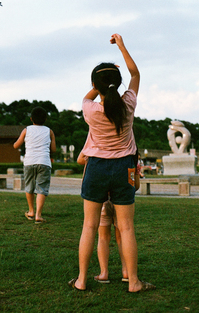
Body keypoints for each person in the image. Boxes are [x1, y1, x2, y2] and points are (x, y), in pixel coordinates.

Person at [69, 33, 155, 293]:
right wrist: (121, 46)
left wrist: (102, 81)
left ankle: (83, 280)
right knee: (127, 227)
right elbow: (136, 75)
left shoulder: (89, 109)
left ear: (96, 84)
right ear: (117, 85)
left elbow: (90, 94)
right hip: (124, 168)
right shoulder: (128, 104)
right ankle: (134, 282)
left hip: (96, 167)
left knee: (89, 226)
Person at [77, 150, 141, 284]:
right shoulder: (131, 155)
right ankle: (126, 272)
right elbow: (135, 186)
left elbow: (79, 160)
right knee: (123, 234)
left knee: (102, 237)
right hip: (121, 202)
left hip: (101, 201)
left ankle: (103, 272)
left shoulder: (95, 146)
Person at [13, 106, 56, 224]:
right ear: (45, 119)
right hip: (44, 162)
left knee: (29, 186)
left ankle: (31, 211)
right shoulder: (49, 131)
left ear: (31, 119)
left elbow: (16, 145)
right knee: (41, 188)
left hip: (29, 162)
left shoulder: (26, 130)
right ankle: (38, 215)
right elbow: (53, 149)